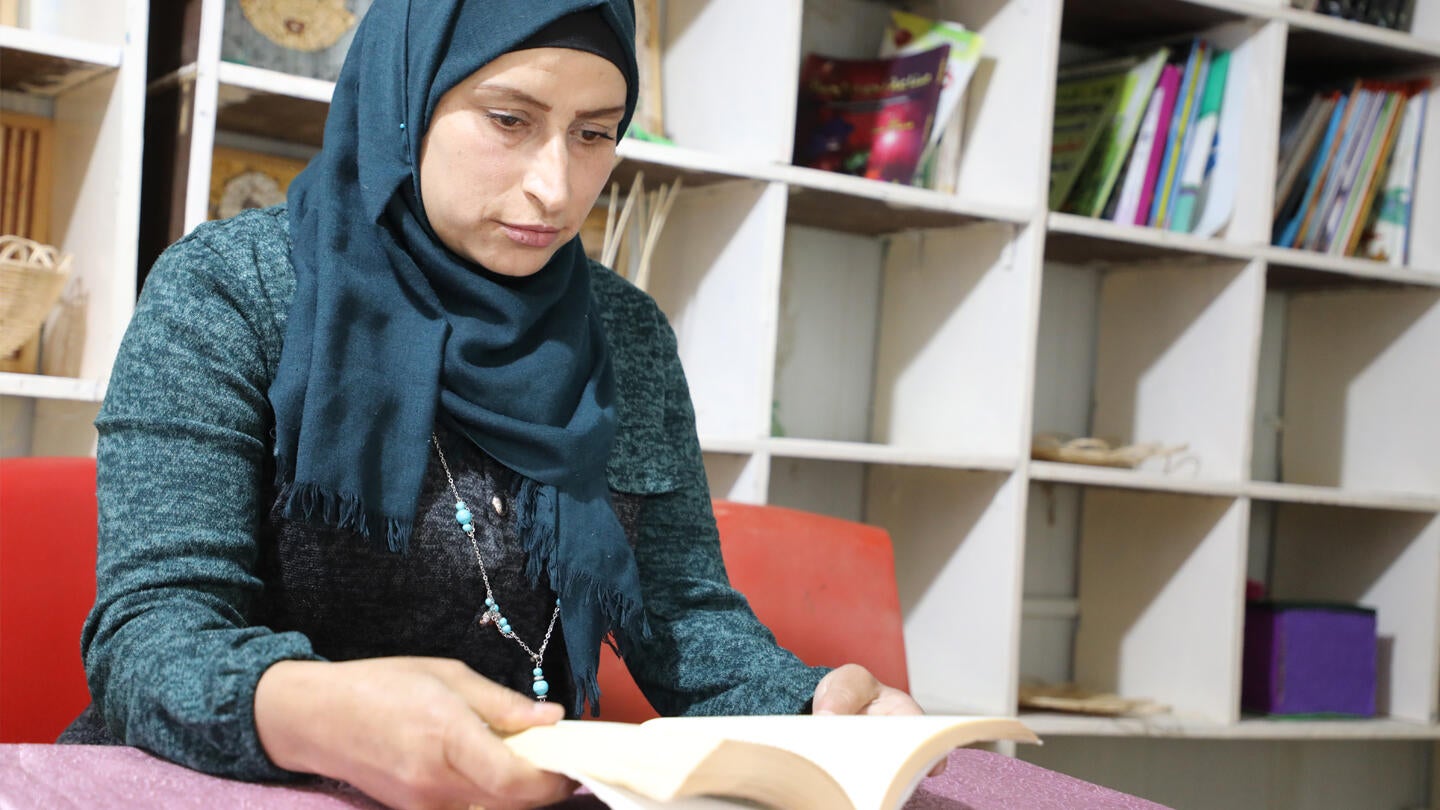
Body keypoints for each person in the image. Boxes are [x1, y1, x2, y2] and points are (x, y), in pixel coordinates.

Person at [60, 1, 922, 808]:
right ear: (411, 97)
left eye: (594, 134)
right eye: (510, 121)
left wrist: (809, 706)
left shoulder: (622, 331)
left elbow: (680, 614)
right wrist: (317, 709)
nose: (556, 187)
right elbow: (150, 635)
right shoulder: (230, 291)